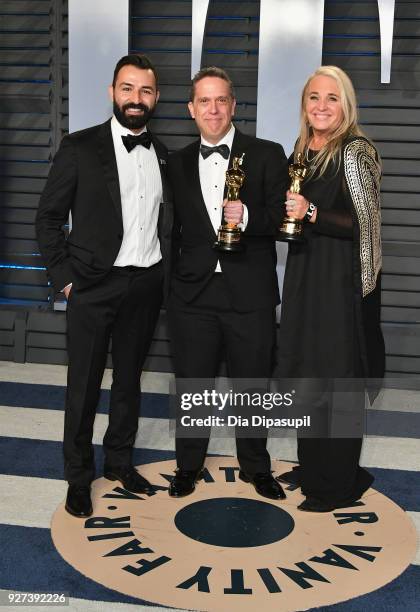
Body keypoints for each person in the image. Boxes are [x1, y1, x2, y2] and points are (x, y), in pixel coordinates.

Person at [36, 54, 172, 517]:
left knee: (130, 382)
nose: (137, 99)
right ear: (113, 92)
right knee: (84, 386)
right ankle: (78, 476)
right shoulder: (79, 147)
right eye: (128, 89)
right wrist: (66, 281)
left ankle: (118, 462)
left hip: (146, 283)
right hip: (92, 286)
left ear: (156, 97)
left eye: (146, 91)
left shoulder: (164, 154)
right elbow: (49, 219)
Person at [167, 66, 289, 499]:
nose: (213, 109)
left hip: (250, 293)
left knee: (253, 385)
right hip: (192, 294)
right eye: (204, 101)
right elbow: (170, 231)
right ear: (191, 109)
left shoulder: (268, 153)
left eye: (221, 100)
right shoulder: (176, 162)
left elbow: (282, 217)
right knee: (193, 385)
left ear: (234, 106)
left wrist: (250, 218)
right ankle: (187, 466)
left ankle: (257, 467)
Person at [275, 65, 385, 512]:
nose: (321, 106)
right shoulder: (302, 148)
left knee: (337, 383)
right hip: (305, 277)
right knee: (307, 376)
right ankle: (314, 463)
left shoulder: (356, 151)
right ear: (304, 104)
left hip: (339, 285)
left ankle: (337, 482)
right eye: (314, 97)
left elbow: (364, 225)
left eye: (332, 98)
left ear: (346, 104)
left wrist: (312, 211)